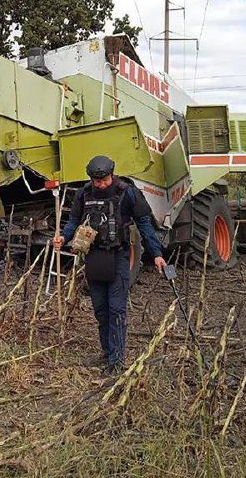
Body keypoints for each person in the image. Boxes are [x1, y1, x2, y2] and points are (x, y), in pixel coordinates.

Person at [52, 155, 166, 375]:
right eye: (96, 181)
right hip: (93, 258)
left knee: (116, 310)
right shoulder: (83, 194)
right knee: (101, 311)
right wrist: (63, 238)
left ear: (111, 174)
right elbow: (74, 222)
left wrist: (157, 254)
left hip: (119, 257)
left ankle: (116, 361)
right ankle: (106, 354)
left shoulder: (127, 192)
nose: (100, 184)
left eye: (103, 180)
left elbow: (144, 224)